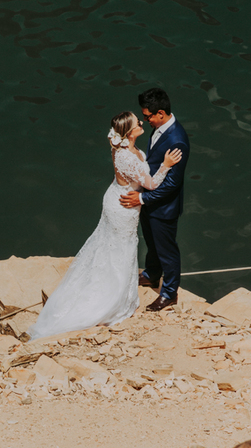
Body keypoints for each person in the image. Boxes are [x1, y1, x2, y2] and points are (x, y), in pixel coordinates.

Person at [28, 111, 183, 340]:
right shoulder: (127, 157)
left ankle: (116, 288)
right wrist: (166, 165)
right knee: (122, 248)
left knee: (112, 247)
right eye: (136, 123)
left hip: (117, 198)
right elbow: (150, 184)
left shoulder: (125, 149)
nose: (141, 122)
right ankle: (112, 299)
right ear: (129, 133)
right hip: (123, 207)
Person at [119, 87, 190, 311]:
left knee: (167, 249)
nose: (145, 120)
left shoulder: (177, 140)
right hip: (150, 200)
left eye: (148, 116)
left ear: (161, 113)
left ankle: (169, 293)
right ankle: (151, 274)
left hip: (163, 206)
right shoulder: (159, 128)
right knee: (152, 243)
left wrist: (142, 198)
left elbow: (172, 184)